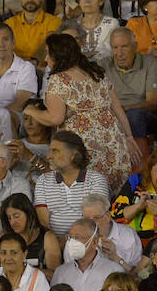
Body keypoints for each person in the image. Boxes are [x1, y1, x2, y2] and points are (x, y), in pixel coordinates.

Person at [25, 35, 135, 193]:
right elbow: (118, 110)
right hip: (113, 146)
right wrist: (129, 138)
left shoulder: (59, 80)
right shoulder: (97, 74)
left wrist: (31, 110)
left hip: (84, 148)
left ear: (59, 55)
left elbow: (55, 118)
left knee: (86, 199)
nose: (45, 58)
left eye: (48, 53)